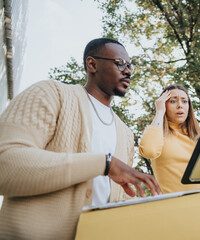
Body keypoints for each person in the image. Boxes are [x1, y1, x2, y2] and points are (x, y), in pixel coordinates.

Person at [0, 38, 161, 240]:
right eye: (120, 63)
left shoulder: (126, 134)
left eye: (130, 66)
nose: (128, 71)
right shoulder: (51, 93)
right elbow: (5, 165)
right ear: (92, 64)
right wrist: (105, 164)